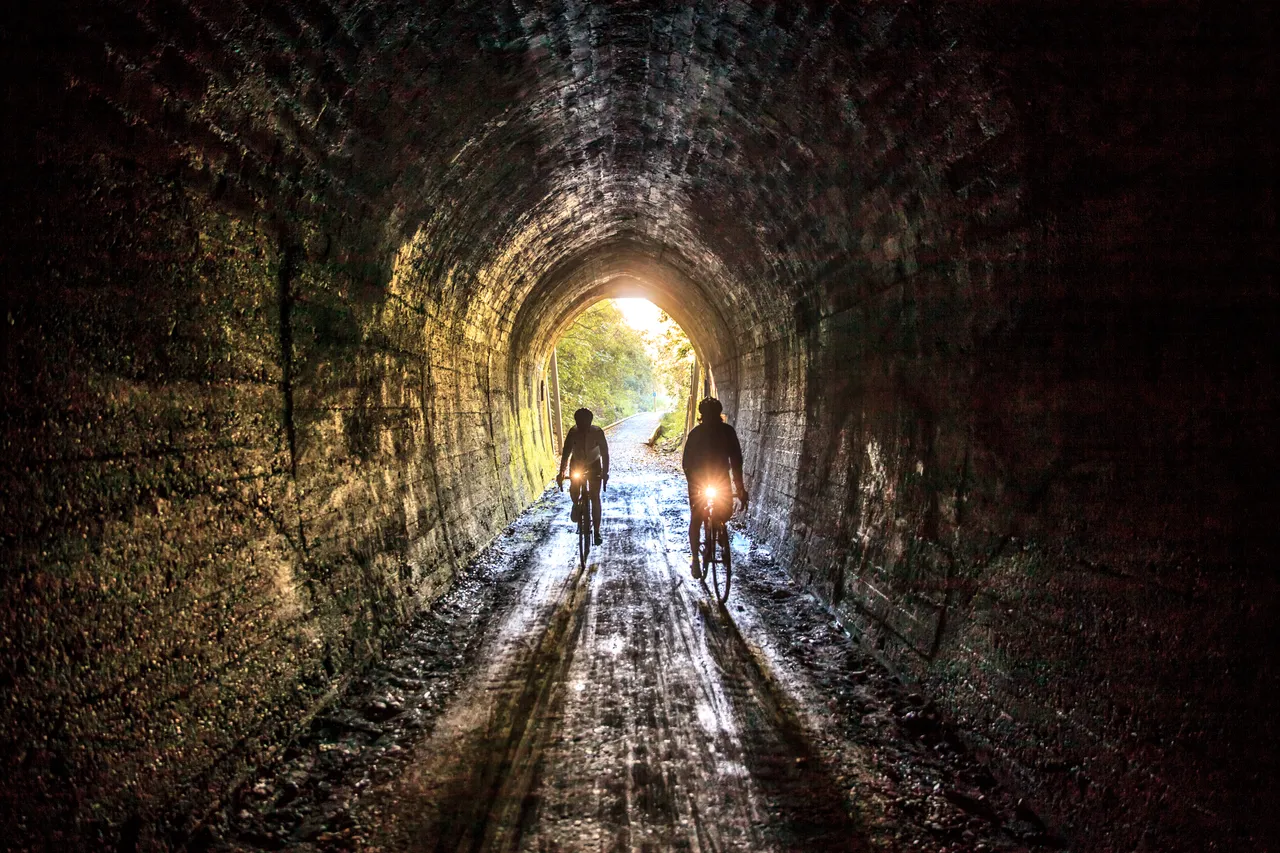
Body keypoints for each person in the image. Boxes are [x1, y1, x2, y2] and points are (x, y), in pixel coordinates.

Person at [682, 397, 749, 578]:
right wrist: (693, 484)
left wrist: (740, 488)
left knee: (723, 511)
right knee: (696, 518)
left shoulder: (724, 432)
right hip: (701, 481)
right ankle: (695, 559)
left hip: (718, 479)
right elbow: (687, 463)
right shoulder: (703, 434)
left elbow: (736, 461)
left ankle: (718, 529)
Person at [556, 407, 610, 546]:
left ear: (590, 422)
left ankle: (597, 531)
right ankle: (576, 504)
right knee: (574, 488)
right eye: (580, 424)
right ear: (577, 422)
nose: (582, 427)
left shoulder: (597, 432)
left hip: (594, 463)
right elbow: (566, 454)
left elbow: (605, 453)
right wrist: (561, 472)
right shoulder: (573, 433)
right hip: (577, 463)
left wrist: (605, 473)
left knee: (595, 497)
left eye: (585, 424)